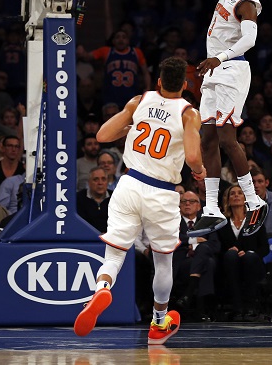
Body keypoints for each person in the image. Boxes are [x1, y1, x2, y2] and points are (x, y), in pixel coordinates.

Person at [74, 57, 206, 346]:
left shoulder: (139, 100)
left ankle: (103, 288)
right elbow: (194, 157)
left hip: (129, 184)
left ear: (158, 82)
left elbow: (102, 135)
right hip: (161, 192)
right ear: (184, 85)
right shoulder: (188, 113)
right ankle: (159, 322)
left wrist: (131, 126)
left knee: (115, 254)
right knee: (163, 260)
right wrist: (198, 172)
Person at [190, 0, 268, 238]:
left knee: (226, 138)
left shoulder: (247, 2)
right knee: (207, 137)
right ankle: (210, 208)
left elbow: (249, 40)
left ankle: (254, 201)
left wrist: (217, 57)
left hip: (231, 70)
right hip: (214, 70)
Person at [214, 184, 270, 321]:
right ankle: (237, 308)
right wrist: (228, 251)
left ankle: (251, 308)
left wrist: (249, 252)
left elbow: (264, 248)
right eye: (232, 194)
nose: (236, 195)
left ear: (245, 198)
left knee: (249, 257)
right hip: (229, 265)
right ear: (227, 200)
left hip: (252, 263)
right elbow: (217, 248)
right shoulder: (221, 223)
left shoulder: (255, 221)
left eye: (240, 193)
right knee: (231, 256)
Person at [173, 191, 220, 322]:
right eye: (184, 201)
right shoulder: (173, 222)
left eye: (192, 201)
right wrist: (192, 241)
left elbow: (215, 246)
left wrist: (197, 247)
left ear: (199, 206)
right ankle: (202, 308)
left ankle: (188, 295)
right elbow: (171, 240)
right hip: (181, 262)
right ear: (179, 206)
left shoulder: (207, 223)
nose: (187, 204)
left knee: (205, 252)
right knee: (207, 263)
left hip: (197, 261)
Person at [75, 166, 111, 233]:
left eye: (103, 179)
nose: (100, 183)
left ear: (107, 182)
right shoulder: (78, 198)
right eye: (96, 179)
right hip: (86, 240)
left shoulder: (115, 197)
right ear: (89, 182)